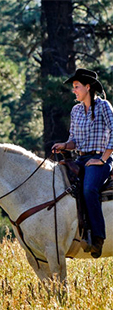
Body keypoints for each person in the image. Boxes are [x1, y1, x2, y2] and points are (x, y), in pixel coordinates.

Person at [52, 68, 113, 258]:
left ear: (88, 87)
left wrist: (102, 159)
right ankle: (77, 232)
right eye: (73, 87)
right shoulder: (76, 110)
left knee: (89, 189)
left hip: (102, 158)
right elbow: (74, 141)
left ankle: (97, 238)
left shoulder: (104, 106)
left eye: (77, 87)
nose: (74, 91)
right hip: (81, 158)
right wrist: (64, 145)